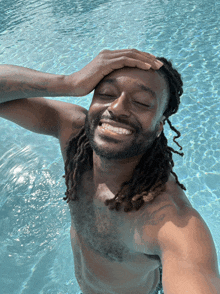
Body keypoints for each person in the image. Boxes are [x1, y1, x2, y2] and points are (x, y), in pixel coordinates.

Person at [0, 49, 219, 294]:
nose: (117, 108)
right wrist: (69, 82)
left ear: (159, 127)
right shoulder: (74, 137)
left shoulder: (170, 221)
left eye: (142, 103)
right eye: (106, 94)